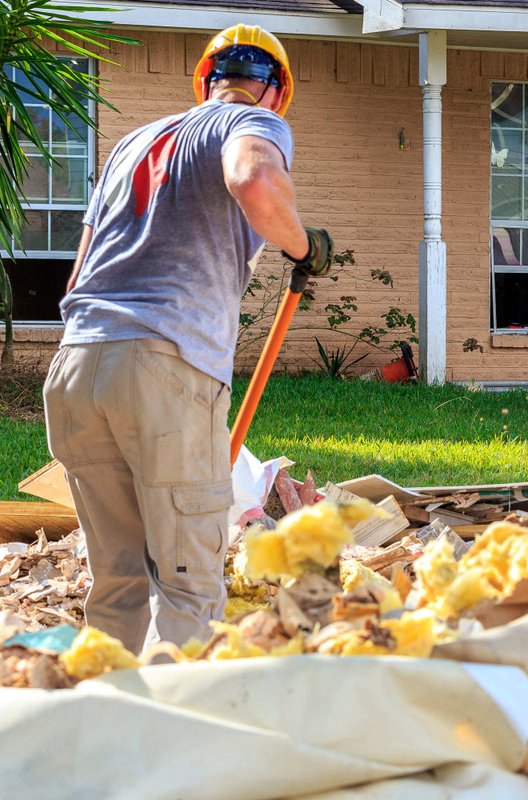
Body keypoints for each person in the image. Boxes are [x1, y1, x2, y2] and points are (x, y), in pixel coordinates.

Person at [43, 24, 332, 652]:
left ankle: (104, 723)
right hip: (164, 364)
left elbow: (81, 267)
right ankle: (178, 735)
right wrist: (304, 245)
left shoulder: (131, 144)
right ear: (274, 92)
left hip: (76, 363)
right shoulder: (249, 123)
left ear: (204, 81)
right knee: (188, 584)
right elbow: (254, 180)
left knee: (116, 579)